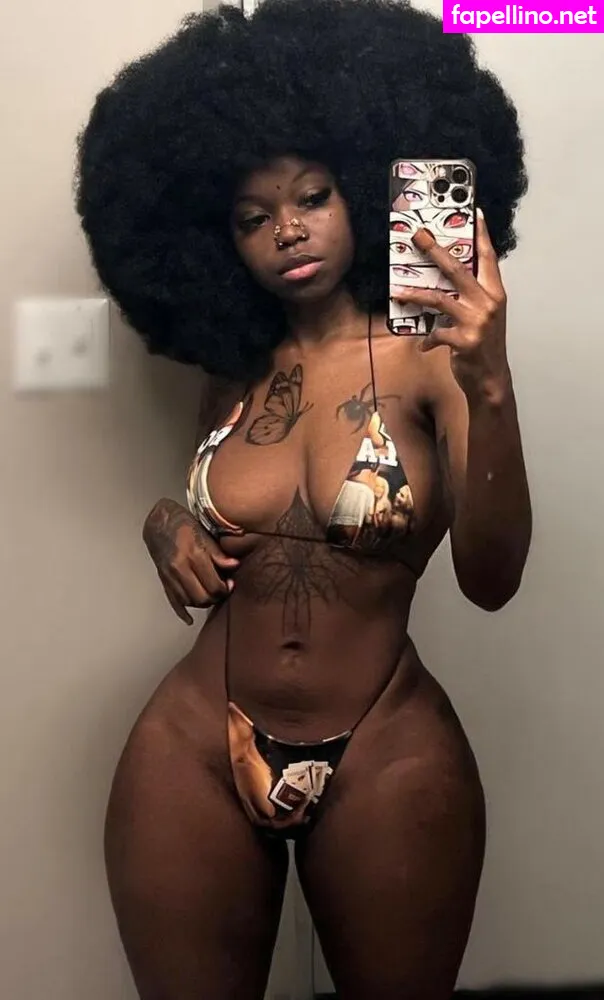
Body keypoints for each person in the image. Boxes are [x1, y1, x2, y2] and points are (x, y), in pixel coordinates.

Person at [75, 0, 532, 997]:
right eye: (253, 218)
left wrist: (491, 383)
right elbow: (205, 505)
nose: (287, 230)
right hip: (194, 739)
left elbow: (492, 580)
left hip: (385, 744)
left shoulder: (434, 358)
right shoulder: (236, 365)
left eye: (313, 196)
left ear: (361, 191)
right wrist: (164, 525)